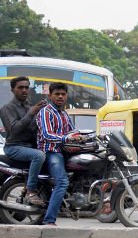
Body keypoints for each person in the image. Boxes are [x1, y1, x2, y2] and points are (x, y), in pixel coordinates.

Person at [35, 83, 85, 226]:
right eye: (57, 94)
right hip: (51, 152)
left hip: (63, 151)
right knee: (62, 182)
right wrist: (67, 138)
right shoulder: (46, 112)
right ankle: (49, 220)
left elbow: (72, 131)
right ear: (50, 95)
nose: (61, 96)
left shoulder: (63, 114)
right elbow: (46, 135)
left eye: (63, 94)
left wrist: (85, 137)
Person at [0, 76, 47, 207]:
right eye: (20, 87)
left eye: (26, 87)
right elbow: (14, 130)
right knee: (38, 155)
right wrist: (31, 113)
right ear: (13, 90)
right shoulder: (7, 108)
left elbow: (35, 129)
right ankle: (31, 191)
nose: (24, 90)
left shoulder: (29, 107)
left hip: (30, 146)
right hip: (14, 147)